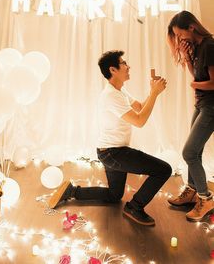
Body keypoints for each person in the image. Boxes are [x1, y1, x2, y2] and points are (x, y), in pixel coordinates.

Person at [49, 50, 171, 226]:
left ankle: (72, 191)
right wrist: (154, 93)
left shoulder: (120, 91)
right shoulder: (111, 96)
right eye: (124, 63)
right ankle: (135, 207)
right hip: (114, 153)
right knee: (164, 170)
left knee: (114, 196)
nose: (128, 66)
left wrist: (154, 92)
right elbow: (139, 121)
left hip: (109, 151)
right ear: (113, 70)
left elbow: (140, 108)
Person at [167, 10, 214, 221]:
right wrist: (187, 58)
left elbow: (212, 83)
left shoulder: (210, 46)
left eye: (180, 34)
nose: (180, 39)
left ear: (191, 28)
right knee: (196, 151)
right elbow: (197, 75)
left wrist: (194, 85)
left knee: (189, 153)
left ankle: (206, 198)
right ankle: (192, 191)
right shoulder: (198, 47)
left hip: (211, 107)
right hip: (202, 104)